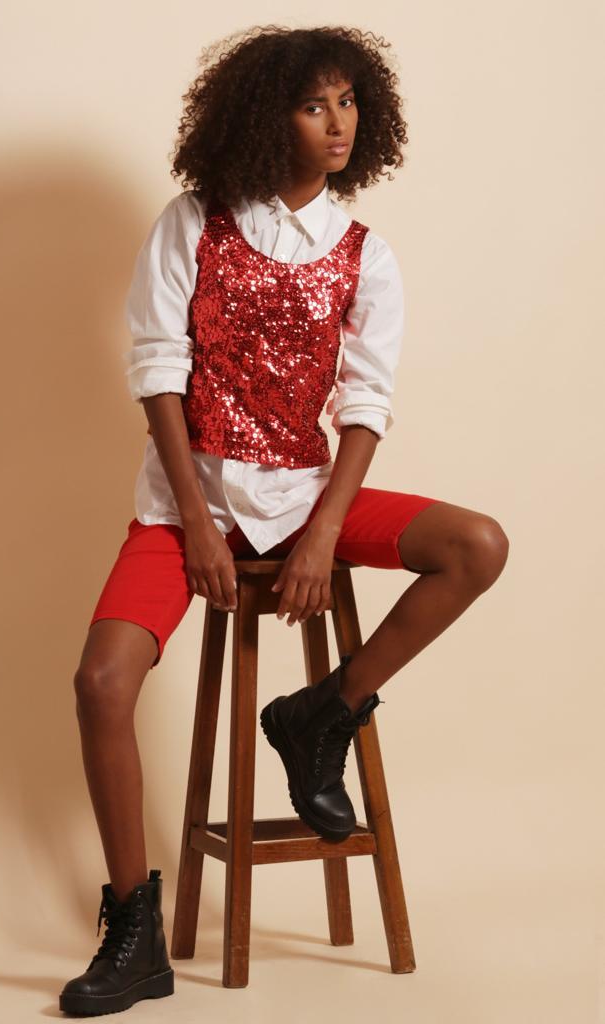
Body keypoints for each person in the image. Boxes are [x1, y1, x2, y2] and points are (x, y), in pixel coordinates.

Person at [59, 24, 509, 1016]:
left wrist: (322, 532)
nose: (337, 122)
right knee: (100, 682)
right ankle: (134, 930)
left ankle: (324, 711)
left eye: (348, 102)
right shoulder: (194, 221)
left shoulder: (365, 256)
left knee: (476, 545)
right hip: (186, 507)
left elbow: (364, 404)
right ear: (268, 119)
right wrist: (196, 521)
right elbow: (158, 373)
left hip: (305, 499)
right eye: (314, 105)